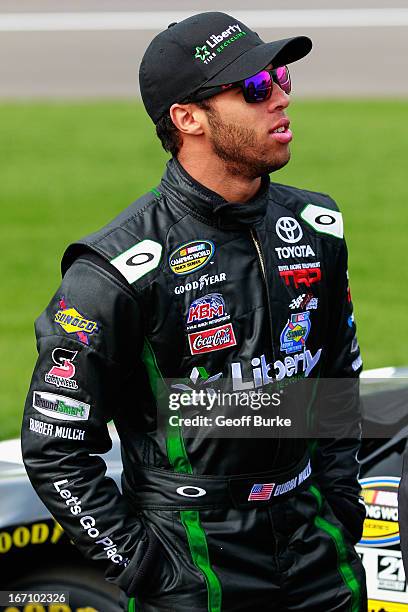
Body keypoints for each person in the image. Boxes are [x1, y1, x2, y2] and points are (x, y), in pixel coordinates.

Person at [21, 11, 367, 612]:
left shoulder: (316, 227)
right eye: (255, 88)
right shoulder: (116, 268)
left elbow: (334, 378)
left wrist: (340, 503)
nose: (281, 98)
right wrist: (143, 565)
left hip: (317, 552)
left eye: (281, 77)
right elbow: (56, 442)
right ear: (188, 119)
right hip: (194, 563)